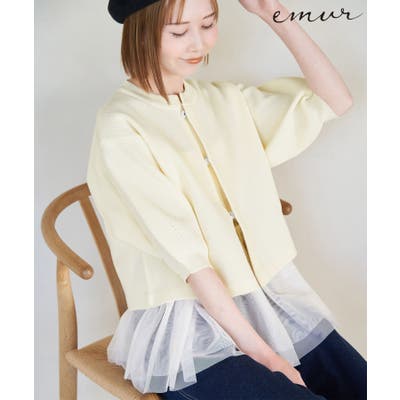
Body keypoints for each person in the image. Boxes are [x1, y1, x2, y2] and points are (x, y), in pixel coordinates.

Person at [86, 0, 366, 399]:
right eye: (178, 31)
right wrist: (269, 358)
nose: (198, 44)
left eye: (208, 24)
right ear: (141, 33)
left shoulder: (225, 100)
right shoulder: (121, 126)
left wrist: (271, 12)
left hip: (265, 305)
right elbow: (194, 266)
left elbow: (335, 100)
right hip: (188, 331)